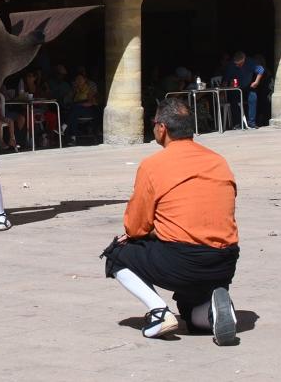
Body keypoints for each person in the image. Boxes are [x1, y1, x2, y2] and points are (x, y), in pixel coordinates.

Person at [100, 98, 239, 345]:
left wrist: (150, 233)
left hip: (183, 260)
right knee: (190, 312)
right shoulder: (218, 160)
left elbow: (135, 227)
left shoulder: (154, 165)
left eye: (154, 123)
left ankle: (159, 312)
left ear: (162, 128)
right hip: (224, 262)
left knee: (116, 254)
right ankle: (213, 311)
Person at [222, 51, 265, 129]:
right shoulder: (231, 66)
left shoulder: (250, 62)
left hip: (247, 87)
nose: (238, 66)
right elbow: (225, 81)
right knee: (233, 98)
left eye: (240, 64)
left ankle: (251, 122)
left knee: (253, 96)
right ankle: (238, 123)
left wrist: (256, 82)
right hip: (236, 88)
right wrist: (227, 86)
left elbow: (261, 70)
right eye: (236, 64)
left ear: (244, 60)